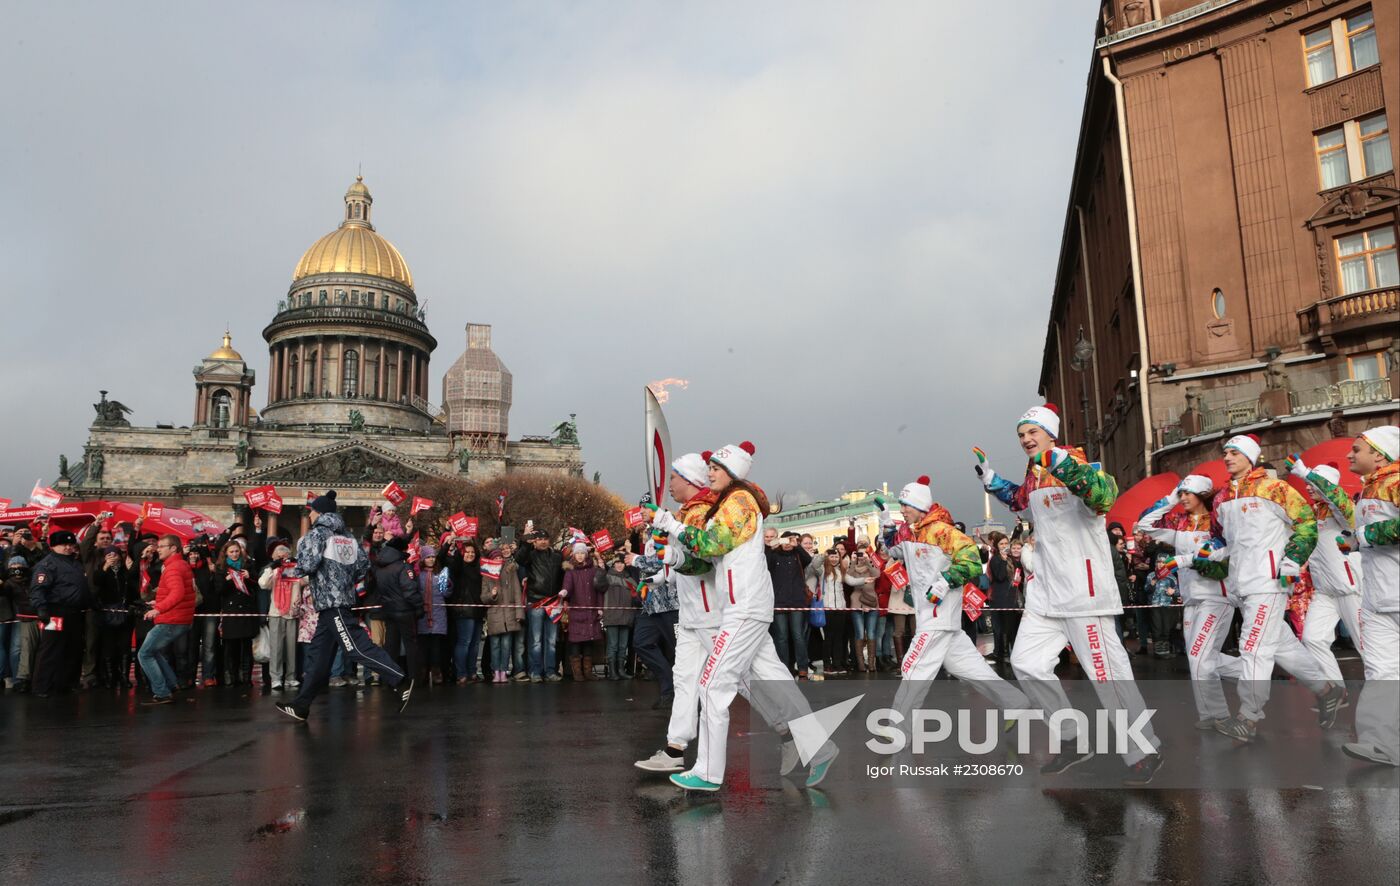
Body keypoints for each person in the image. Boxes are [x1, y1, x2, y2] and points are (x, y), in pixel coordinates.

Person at [974, 402, 1163, 785]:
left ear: (1050, 434)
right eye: (1021, 435)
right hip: (1047, 590)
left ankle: (1143, 750)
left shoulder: (1078, 467)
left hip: (1082, 590)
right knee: (1026, 663)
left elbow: (1103, 497)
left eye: (1032, 432)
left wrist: (1059, 463)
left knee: (1107, 674)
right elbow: (1020, 500)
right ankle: (1071, 737)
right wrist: (990, 477)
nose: (1026, 439)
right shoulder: (1035, 474)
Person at [650, 441, 837, 792]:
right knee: (775, 680)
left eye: (716, 469)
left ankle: (707, 772)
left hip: (743, 607)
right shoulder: (730, 503)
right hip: (742, 604)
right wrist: (673, 559)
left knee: (712, 684)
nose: (710, 474)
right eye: (709, 469)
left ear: (732, 473)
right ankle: (819, 744)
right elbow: (706, 559)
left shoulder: (739, 502)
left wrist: (670, 525)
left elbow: (709, 544)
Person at [1201, 433, 1344, 743]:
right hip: (1242, 584)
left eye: (1234, 453)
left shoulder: (1275, 489)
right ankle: (1326, 689)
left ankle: (1248, 717)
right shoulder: (1222, 498)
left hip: (1269, 582)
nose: (1227, 458)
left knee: (1253, 647)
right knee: (1282, 646)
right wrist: (1215, 551)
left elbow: (1305, 523)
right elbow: (1220, 537)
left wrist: (1292, 560)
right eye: (1226, 452)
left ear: (1250, 457)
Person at [879, 476, 1029, 740]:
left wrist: (947, 580)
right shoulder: (910, 531)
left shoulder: (944, 532)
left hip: (938, 616)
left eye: (906, 505)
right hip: (933, 617)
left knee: (913, 668)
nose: (902, 510)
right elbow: (893, 552)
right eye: (901, 505)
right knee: (970, 668)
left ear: (920, 505)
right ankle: (1014, 702)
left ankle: (898, 730)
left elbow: (972, 563)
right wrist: (887, 526)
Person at [276, 490, 411, 721]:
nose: (309, 516)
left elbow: (306, 564)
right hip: (340, 601)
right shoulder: (347, 536)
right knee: (319, 657)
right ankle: (302, 705)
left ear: (318, 512)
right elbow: (362, 566)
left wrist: (293, 568)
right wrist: (341, 577)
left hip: (331, 603)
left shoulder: (316, 534)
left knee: (355, 647)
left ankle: (400, 679)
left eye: (311, 512)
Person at [1136, 475, 1234, 728]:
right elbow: (1144, 524)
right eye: (1181, 493)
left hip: (1216, 596)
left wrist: (1182, 560)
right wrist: (1171, 497)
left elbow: (1221, 552)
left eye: (1189, 493)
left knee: (1200, 657)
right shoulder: (1178, 524)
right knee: (1197, 659)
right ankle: (1211, 714)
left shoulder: (1217, 522)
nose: (1184, 498)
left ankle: (1254, 673)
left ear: (1202, 494)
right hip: (1190, 599)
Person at [1340, 425, 1399, 766]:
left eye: (1357, 450)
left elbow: (1375, 534)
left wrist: (1363, 536)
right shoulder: (1367, 491)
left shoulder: (1396, 482)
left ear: (1379, 454)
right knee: (1381, 672)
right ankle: (1382, 744)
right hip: (1377, 599)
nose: (1350, 455)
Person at [1283, 455, 1365, 686]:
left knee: (1367, 646)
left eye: (1315, 483)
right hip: (1325, 591)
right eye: (1309, 484)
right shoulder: (1312, 512)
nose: (1309, 487)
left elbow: (1336, 500)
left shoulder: (1344, 508)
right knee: (1313, 639)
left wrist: (1306, 473)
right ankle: (1336, 693)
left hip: (1349, 589)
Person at [28, 530, 91, 698]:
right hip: (54, 611)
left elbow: (81, 587)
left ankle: (67, 683)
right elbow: (38, 589)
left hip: (75, 612)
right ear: (53, 546)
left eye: (71, 545)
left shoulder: (75, 563)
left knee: (74, 648)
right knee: (50, 648)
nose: (68, 548)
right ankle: (42, 686)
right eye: (65, 545)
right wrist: (41, 609)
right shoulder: (47, 564)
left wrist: (90, 602)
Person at [136, 534, 196, 705]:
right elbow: (179, 591)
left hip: (171, 619)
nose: (158, 549)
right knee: (153, 651)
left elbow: (178, 593)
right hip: (179, 618)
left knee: (144, 654)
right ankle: (171, 684)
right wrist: (159, 600)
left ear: (173, 549)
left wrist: (158, 609)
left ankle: (162, 693)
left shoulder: (173, 568)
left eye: (162, 546)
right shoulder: (179, 564)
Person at [515, 525, 564, 682]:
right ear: (535, 541)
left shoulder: (557, 556)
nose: (543, 542)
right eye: (539, 539)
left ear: (549, 540)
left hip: (553, 602)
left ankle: (550, 671)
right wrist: (526, 540)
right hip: (535, 600)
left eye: (545, 539)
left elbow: (563, 577)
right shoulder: (530, 554)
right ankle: (535, 672)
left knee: (551, 641)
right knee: (535, 641)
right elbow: (519, 558)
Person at [375, 537, 424, 685]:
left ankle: (390, 678)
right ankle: (415, 677)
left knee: (391, 645)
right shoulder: (403, 567)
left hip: (389, 610)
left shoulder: (381, 567)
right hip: (405, 611)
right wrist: (419, 607)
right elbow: (410, 590)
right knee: (411, 645)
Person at [766, 531, 811, 677]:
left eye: (790, 540)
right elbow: (765, 564)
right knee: (781, 637)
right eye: (785, 540)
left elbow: (808, 559)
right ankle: (784, 668)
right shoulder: (774, 555)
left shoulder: (798, 555)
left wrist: (796, 545)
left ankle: (803, 667)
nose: (787, 543)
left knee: (798, 635)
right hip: (779, 602)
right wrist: (772, 547)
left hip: (797, 601)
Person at [213, 539, 259, 686]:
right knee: (230, 647)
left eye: (237, 551)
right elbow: (218, 590)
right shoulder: (220, 568)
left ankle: (246, 677)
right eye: (231, 551)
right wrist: (227, 580)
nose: (234, 554)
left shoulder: (248, 565)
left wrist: (249, 577)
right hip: (230, 610)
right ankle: (231, 677)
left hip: (246, 609)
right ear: (226, 553)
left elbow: (257, 585)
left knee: (246, 646)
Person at [259, 544, 302, 691]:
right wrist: (272, 567)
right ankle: (276, 678)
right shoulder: (273, 571)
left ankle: (291, 677)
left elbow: (307, 579)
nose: (282, 558)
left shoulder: (295, 570)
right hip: (276, 612)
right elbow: (263, 584)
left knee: (291, 648)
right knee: (276, 648)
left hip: (291, 613)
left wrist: (299, 564)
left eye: (284, 556)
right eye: (279, 556)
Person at [91, 545, 133, 688]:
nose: (112, 557)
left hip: (124, 612)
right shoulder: (101, 570)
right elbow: (97, 582)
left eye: (115, 554)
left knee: (125, 646)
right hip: (107, 612)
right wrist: (105, 568)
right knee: (108, 646)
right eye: (109, 555)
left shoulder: (126, 569)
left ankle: (124, 677)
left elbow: (132, 586)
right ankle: (110, 677)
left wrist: (128, 569)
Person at [560, 542, 603, 680]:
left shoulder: (594, 570)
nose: (579, 556)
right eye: (577, 553)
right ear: (574, 554)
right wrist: (565, 591)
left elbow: (599, 591)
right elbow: (568, 585)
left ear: (586, 554)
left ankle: (588, 672)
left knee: (589, 642)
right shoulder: (570, 571)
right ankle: (577, 673)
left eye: (582, 553)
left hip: (591, 611)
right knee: (575, 642)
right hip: (576, 611)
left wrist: (600, 608)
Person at [445, 537, 485, 684]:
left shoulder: (479, 568)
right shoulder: (458, 567)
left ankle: (472, 672)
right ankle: (461, 673)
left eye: (472, 552)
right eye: (467, 552)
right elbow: (448, 560)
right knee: (464, 642)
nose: (470, 554)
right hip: (463, 610)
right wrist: (452, 542)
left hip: (477, 610)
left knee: (475, 644)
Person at [484, 542, 524, 683]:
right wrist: (491, 595)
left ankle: (504, 671)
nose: (498, 561)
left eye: (499, 558)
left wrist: (519, 613)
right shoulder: (487, 576)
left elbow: (518, 593)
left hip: (509, 616)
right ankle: (496, 671)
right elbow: (483, 597)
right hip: (494, 616)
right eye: (495, 558)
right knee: (495, 646)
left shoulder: (510, 571)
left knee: (506, 645)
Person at [807, 548, 847, 679]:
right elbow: (814, 565)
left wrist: (864, 580)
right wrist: (823, 556)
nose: (834, 559)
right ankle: (827, 664)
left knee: (839, 638)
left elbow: (851, 580)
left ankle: (838, 663)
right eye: (832, 557)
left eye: (836, 556)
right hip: (827, 607)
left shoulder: (841, 570)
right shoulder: (823, 570)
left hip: (840, 608)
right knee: (828, 638)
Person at [596, 555, 638, 680]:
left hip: (626, 616)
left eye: (621, 563)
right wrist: (601, 568)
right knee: (613, 645)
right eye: (617, 563)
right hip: (612, 615)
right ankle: (612, 671)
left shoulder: (630, 579)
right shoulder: (607, 576)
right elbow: (598, 585)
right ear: (613, 564)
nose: (619, 565)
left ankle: (621, 670)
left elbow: (636, 593)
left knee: (622, 646)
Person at [416, 546, 452, 684]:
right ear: (423, 559)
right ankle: (423, 673)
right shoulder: (418, 575)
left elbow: (447, 594)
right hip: (423, 615)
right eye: (428, 557)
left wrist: (448, 585)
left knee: (437, 647)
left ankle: (437, 673)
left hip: (438, 615)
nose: (431, 559)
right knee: (423, 646)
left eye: (432, 557)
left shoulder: (440, 573)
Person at [4, 556, 38, 692]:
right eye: (13, 565)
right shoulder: (8, 583)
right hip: (15, 617)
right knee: (17, 648)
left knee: (26, 648)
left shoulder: (32, 580)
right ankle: (18, 679)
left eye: (20, 565)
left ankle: (27, 678)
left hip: (29, 616)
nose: (17, 568)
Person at [986, 532, 1018, 662]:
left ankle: (1009, 652)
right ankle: (1003, 653)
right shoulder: (996, 559)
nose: (1004, 546)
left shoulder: (1011, 557)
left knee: (1011, 625)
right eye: (1002, 544)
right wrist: (1003, 560)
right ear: (997, 546)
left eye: (1006, 543)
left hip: (1011, 595)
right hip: (1000, 597)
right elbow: (999, 576)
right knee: (1002, 626)